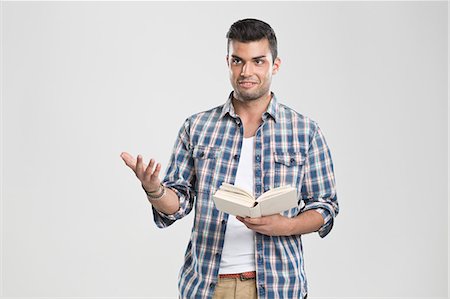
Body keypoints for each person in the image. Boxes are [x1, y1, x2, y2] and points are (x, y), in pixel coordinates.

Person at [121, 18, 339, 299]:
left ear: (275, 65)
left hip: (279, 287)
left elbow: (325, 207)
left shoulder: (304, 131)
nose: (246, 71)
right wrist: (154, 190)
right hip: (209, 287)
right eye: (238, 61)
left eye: (258, 61)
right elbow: (177, 203)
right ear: (228, 62)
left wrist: (287, 226)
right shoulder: (197, 127)